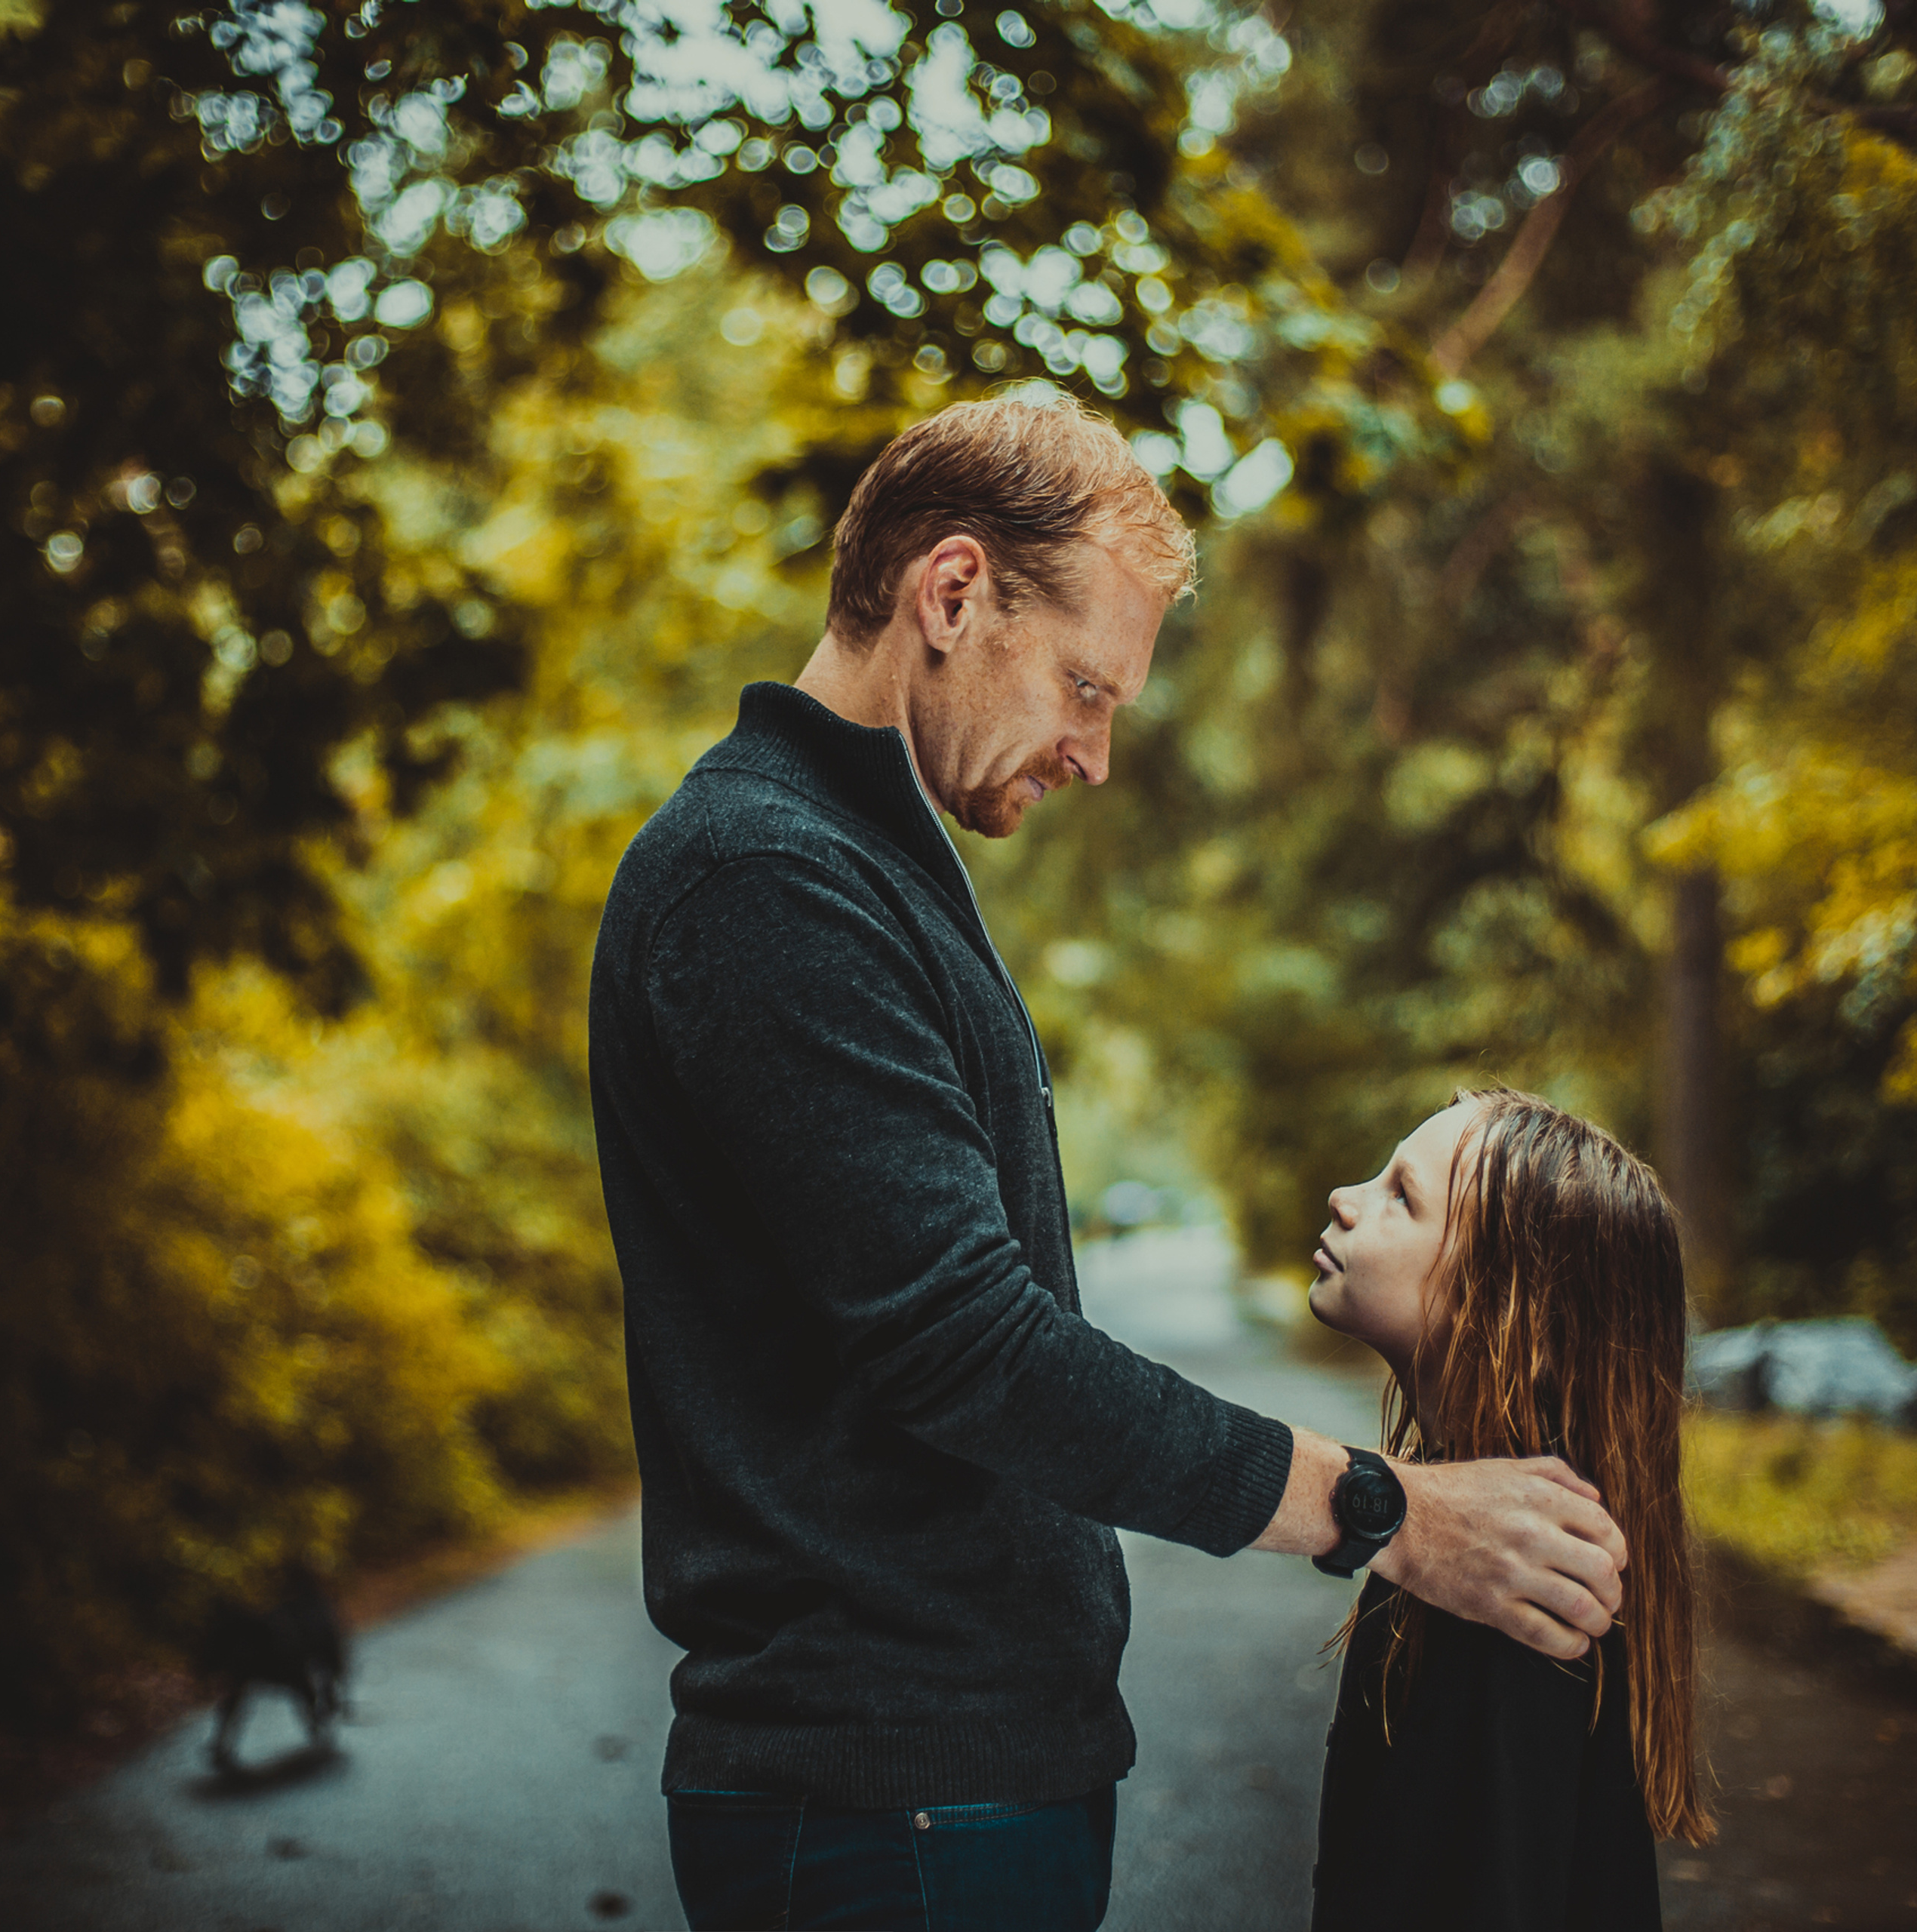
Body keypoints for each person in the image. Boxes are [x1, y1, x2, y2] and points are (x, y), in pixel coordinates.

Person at [587, 395, 1629, 1932]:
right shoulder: (767, 880)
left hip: (944, 1790)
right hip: (889, 1803)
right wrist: (1392, 1509)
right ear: (950, 594)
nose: (1089, 753)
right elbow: (968, 1345)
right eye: (1084, 686)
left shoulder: (858, 866)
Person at [1307, 1088, 1715, 1931]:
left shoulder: (1518, 1579)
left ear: (1495, 1299)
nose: (1345, 1199)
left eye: (1400, 1196)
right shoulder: (1452, 1522)